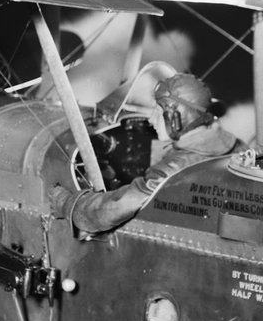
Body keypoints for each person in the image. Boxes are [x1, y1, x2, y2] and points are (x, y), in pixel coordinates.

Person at [51, 73, 246, 234]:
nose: (151, 120)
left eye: (157, 111)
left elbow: (117, 207)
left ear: (173, 116)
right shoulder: (239, 148)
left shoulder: (175, 169)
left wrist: (68, 204)